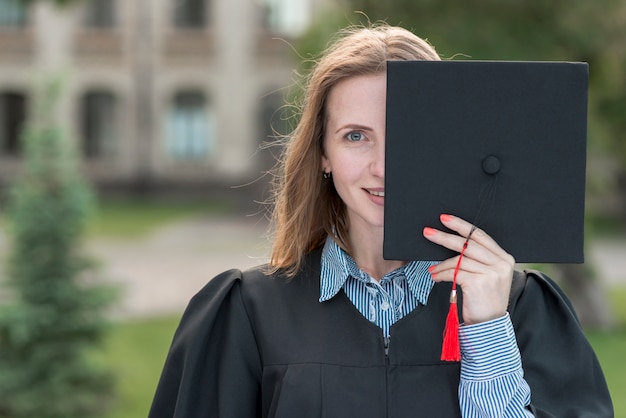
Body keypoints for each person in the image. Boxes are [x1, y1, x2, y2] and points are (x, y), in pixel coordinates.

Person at [148, 25, 613, 417]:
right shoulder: (248, 313)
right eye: (355, 137)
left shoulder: (521, 308)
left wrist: (489, 328)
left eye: (407, 137)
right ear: (323, 154)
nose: (383, 167)